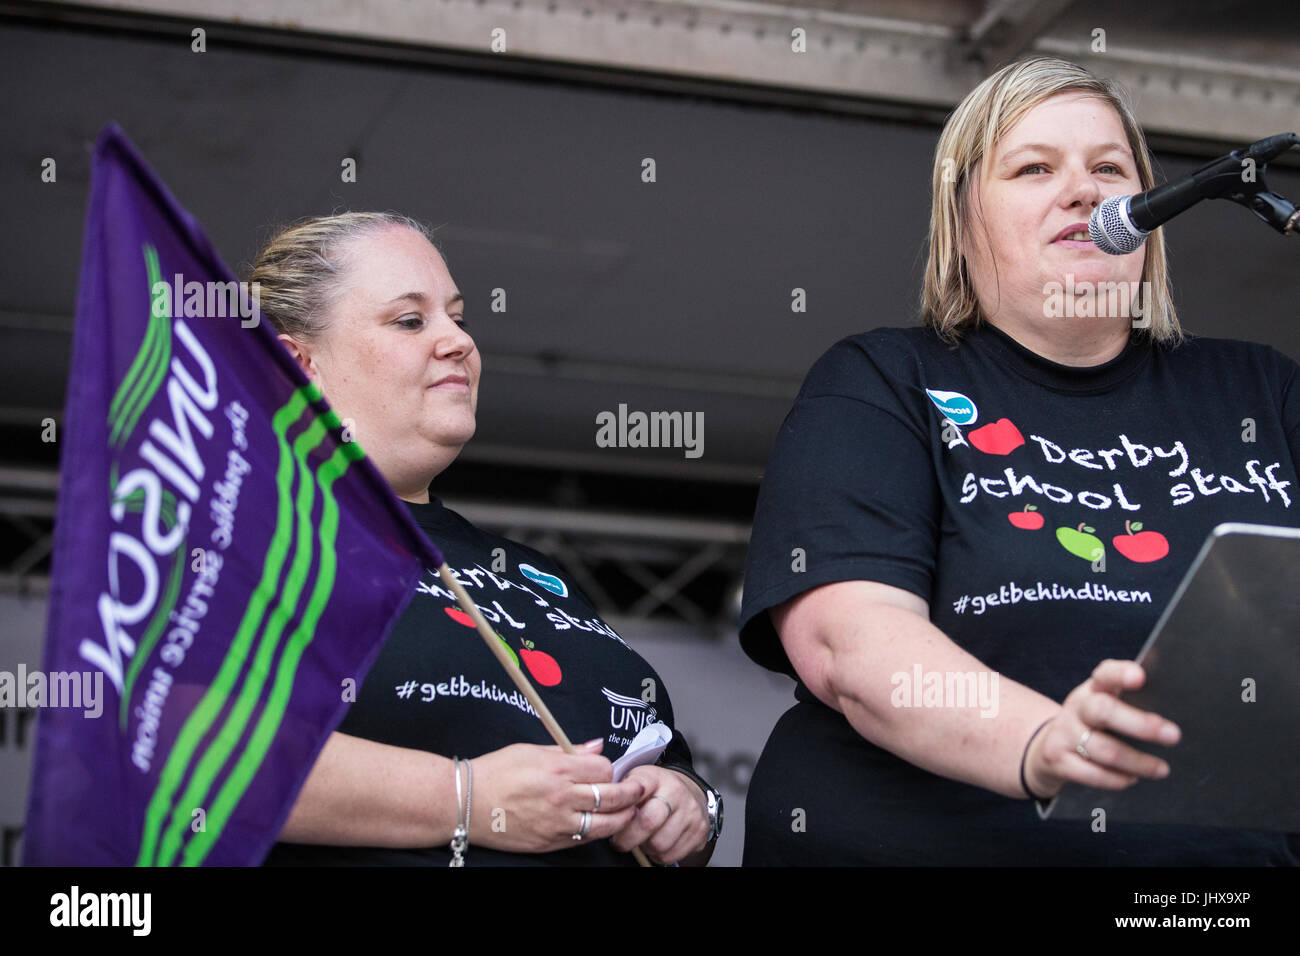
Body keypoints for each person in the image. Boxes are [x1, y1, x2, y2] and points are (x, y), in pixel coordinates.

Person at [738, 56, 1300, 865]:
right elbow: (849, 644)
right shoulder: (884, 381)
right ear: (962, 222)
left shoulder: (1264, 392)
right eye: (1035, 168)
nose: (1084, 191)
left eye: (1110, 168)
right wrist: (1042, 746)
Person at [250, 212, 721, 865]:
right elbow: (180, 751)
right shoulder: (240, 535)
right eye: (410, 321)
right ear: (298, 364)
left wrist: (689, 804)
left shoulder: (530, 570)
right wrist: (465, 797)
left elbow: (660, 757)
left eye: (459, 318)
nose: (459, 342)